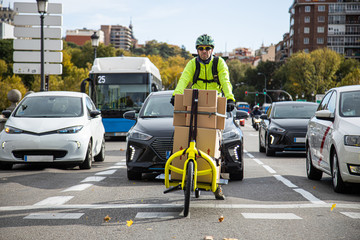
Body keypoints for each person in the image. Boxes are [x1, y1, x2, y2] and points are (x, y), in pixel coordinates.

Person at [170, 34, 236, 200]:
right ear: (197, 50)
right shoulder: (192, 63)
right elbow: (184, 79)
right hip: (195, 102)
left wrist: (230, 98)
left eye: (207, 48)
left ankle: (217, 186)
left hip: (214, 105)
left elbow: (225, 81)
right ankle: (186, 171)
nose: (204, 51)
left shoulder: (219, 63)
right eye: (201, 49)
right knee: (188, 137)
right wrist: (176, 94)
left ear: (212, 50)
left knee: (216, 146)